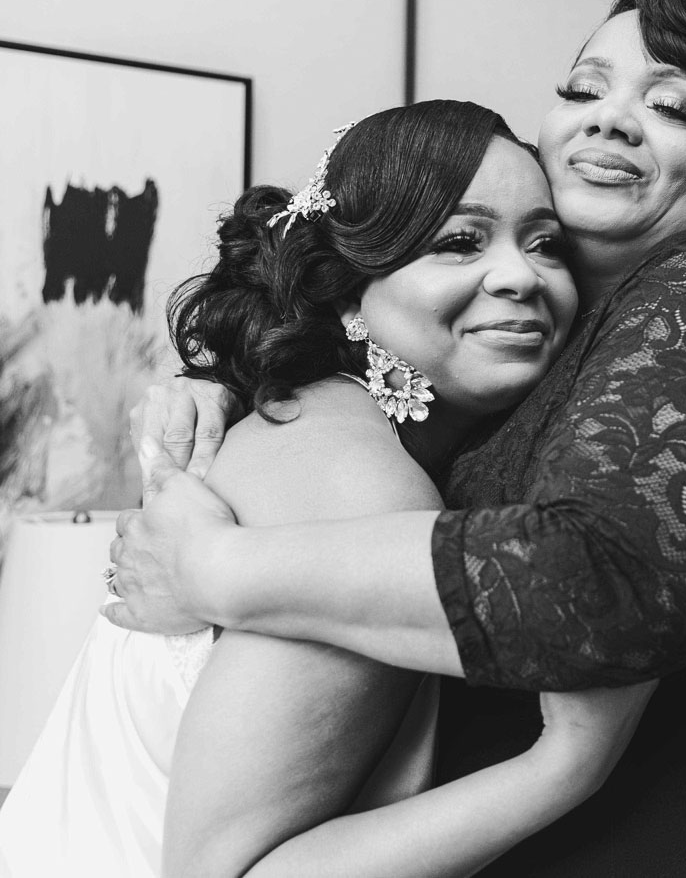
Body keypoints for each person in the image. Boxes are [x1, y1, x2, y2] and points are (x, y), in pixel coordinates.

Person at [109, 0, 686, 875]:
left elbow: (600, 586)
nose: (611, 116)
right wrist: (227, 385)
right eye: (584, 87)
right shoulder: (522, 362)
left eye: (675, 107)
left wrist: (218, 565)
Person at [0, 100, 653, 877]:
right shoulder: (354, 479)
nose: (521, 276)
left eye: (545, 244)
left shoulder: (310, 423)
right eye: (459, 241)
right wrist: (559, 770)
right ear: (346, 291)